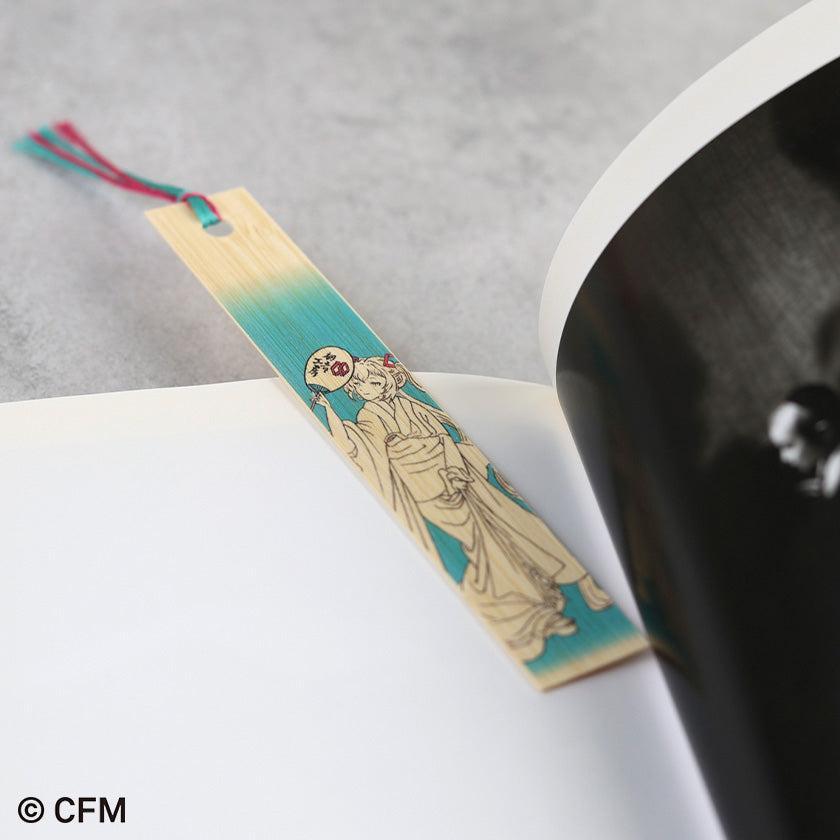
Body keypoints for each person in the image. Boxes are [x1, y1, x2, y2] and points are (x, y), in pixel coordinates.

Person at [312, 354, 611, 662]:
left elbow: (443, 438)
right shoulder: (368, 417)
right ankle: (533, 616)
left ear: (387, 380)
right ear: (354, 391)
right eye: (361, 385)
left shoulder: (408, 403)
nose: (369, 387)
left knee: (513, 523)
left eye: (375, 380)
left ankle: (573, 583)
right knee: (486, 547)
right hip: (430, 490)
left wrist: (455, 468)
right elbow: (363, 449)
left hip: (458, 474)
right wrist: (329, 411)